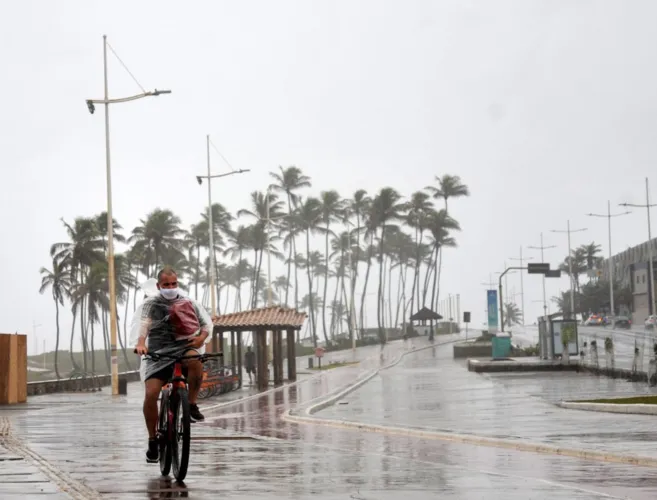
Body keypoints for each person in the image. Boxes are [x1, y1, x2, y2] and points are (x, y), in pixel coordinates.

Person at [134, 266, 210, 464]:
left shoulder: (188, 303)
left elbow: (205, 325)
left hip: (184, 348)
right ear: (159, 286)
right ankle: (152, 440)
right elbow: (144, 324)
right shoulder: (152, 304)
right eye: (166, 285)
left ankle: (192, 405)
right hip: (157, 353)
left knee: (196, 361)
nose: (170, 287)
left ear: (178, 283)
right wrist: (141, 343)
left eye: (174, 284)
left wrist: (201, 338)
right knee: (151, 394)